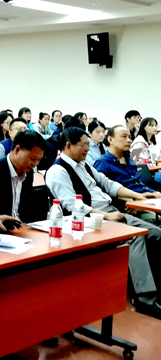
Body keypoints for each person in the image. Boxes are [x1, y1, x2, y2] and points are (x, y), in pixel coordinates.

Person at [46, 126, 161, 318]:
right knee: (135, 237)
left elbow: (109, 184)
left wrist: (139, 196)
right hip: (90, 221)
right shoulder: (57, 171)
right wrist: (106, 216)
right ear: (68, 146)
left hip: (110, 212)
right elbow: (71, 204)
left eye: (88, 145)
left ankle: (152, 285)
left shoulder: (84, 165)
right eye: (84, 145)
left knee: (156, 234)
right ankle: (145, 298)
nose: (88, 149)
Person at [0, 130, 46, 222]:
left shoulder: (28, 172)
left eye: (39, 160)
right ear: (17, 150)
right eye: (33, 158)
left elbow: (25, 208)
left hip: (21, 226)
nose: (35, 164)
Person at [94, 125, 160, 195]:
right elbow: (101, 192)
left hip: (146, 196)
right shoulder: (103, 163)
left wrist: (155, 193)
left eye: (129, 137)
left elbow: (140, 185)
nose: (129, 140)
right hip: (129, 199)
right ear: (110, 139)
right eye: (124, 136)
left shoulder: (129, 160)